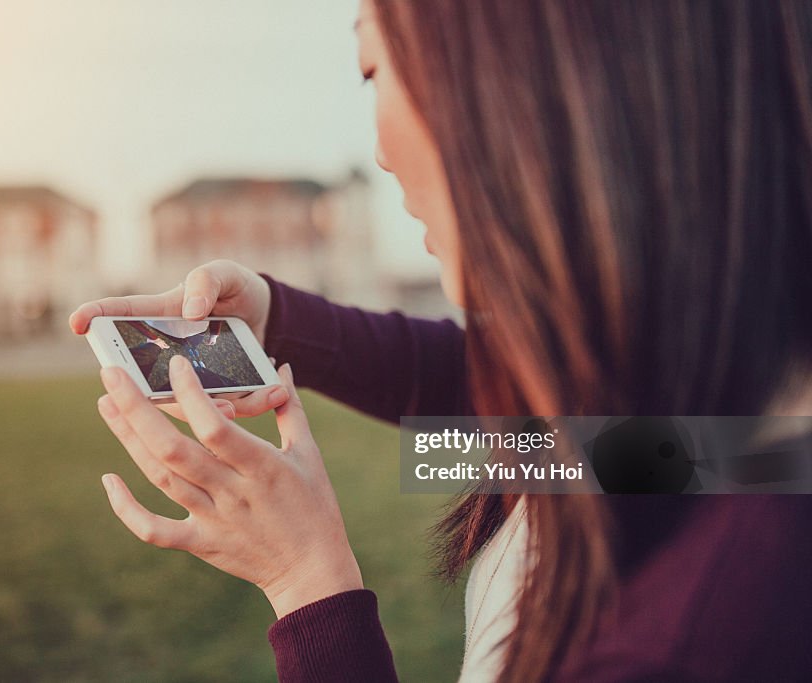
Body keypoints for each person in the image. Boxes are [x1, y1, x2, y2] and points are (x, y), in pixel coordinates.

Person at [69, 1, 812, 680]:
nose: (382, 155)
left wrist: (306, 581)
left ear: (540, 82)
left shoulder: (691, 634)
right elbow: (485, 395)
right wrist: (272, 318)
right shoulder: (737, 430)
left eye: (373, 71)